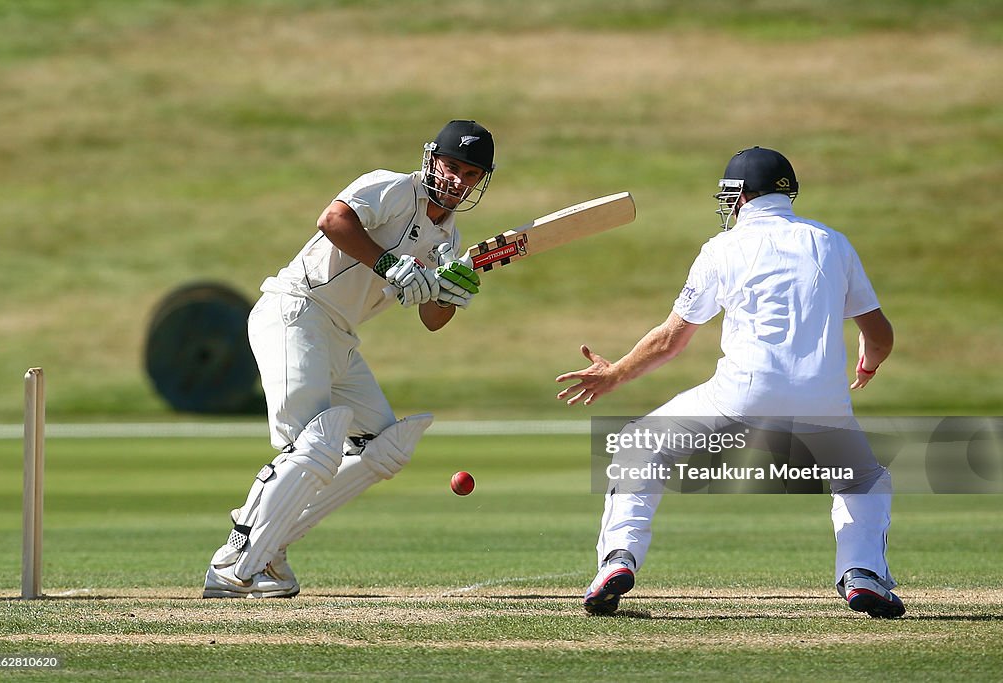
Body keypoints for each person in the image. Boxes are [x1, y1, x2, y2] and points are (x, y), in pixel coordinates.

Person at [556, 147, 904, 618]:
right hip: (824, 400)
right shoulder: (832, 242)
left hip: (741, 394)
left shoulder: (721, 249)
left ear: (740, 196)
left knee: (640, 445)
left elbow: (670, 342)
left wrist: (615, 373)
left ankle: (619, 560)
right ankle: (862, 575)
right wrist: (867, 365)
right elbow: (878, 334)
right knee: (864, 478)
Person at [203, 120, 494, 598]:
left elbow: (432, 320)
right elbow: (333, 220)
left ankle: (270, 550)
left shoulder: (450, 240)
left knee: (384, 446)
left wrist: (452, 293)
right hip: (295, 310)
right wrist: (390, 265)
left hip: (339, 336)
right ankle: (234, 561)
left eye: (471, 174)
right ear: (432, 159)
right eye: (453, 166)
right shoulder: (395, 189)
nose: (459, 180)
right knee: (313, 444)